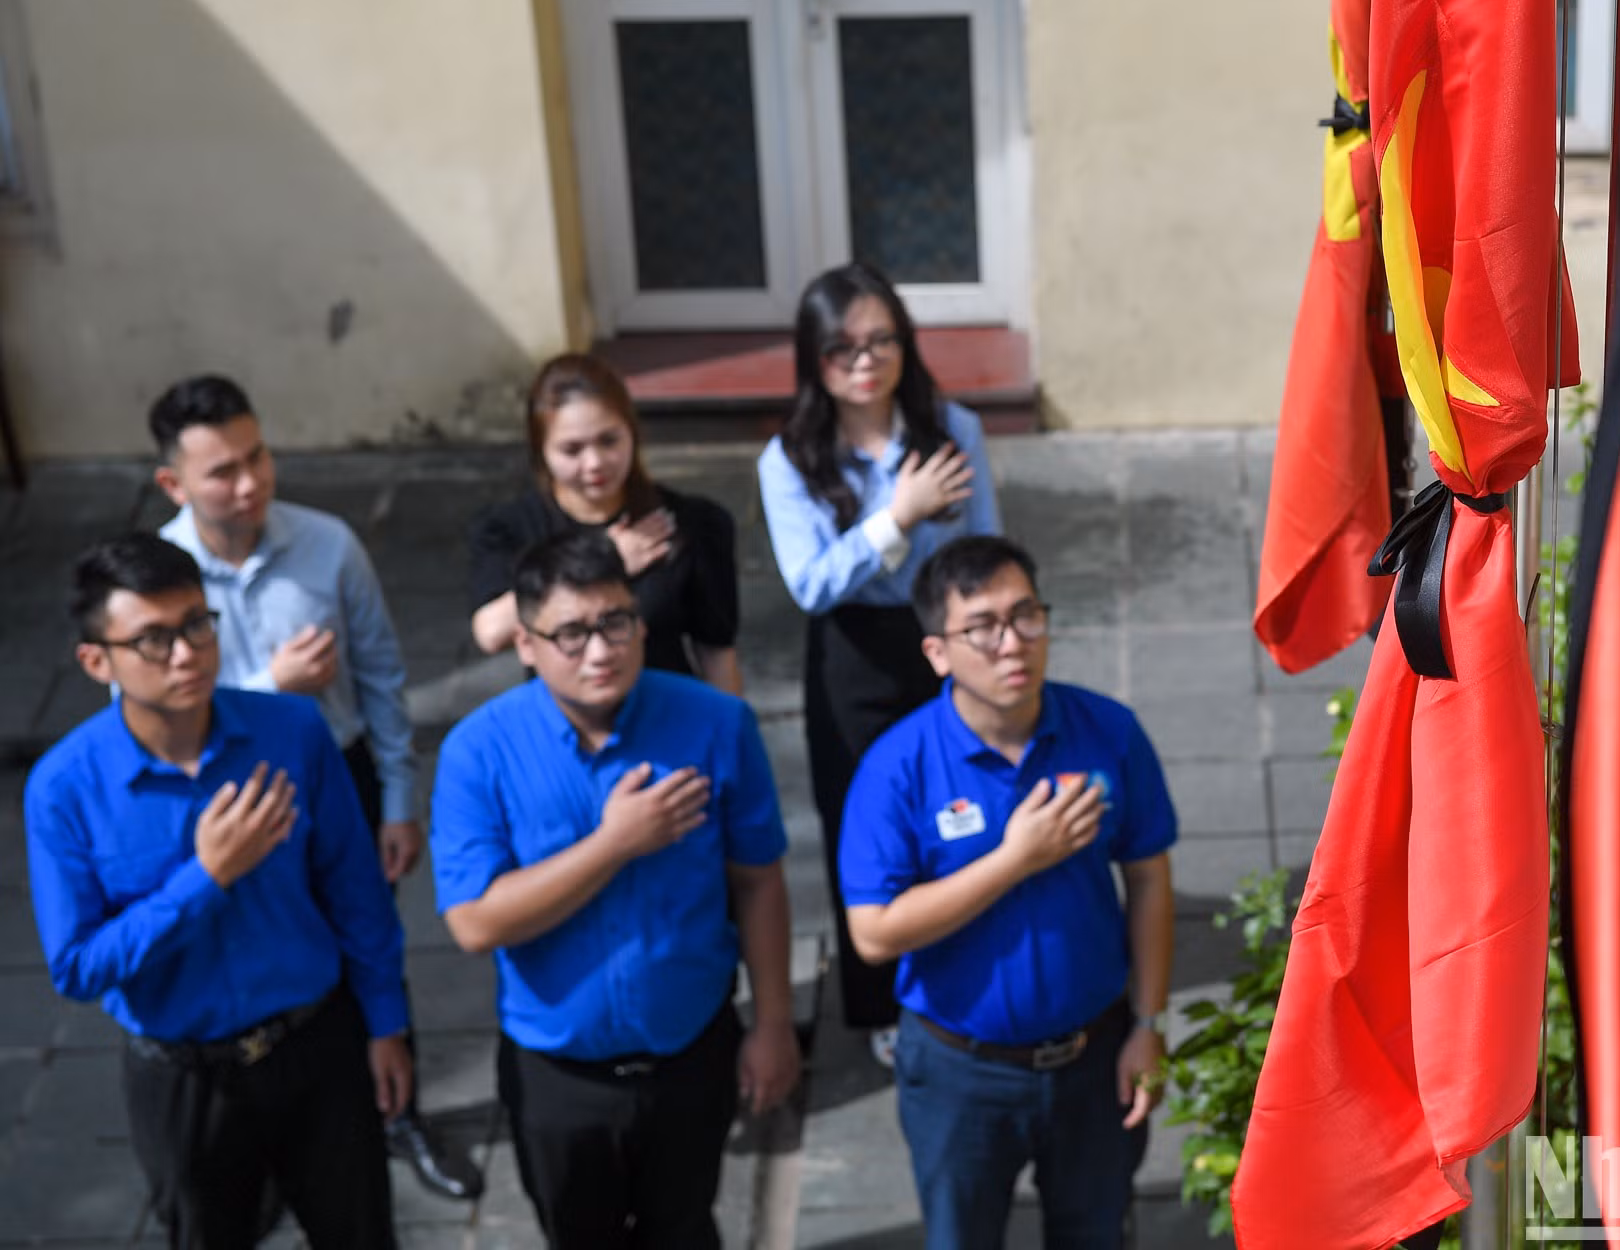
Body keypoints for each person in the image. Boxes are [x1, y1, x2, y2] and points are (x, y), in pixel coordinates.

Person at [147, 374, 482, 1202]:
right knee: (253, 957)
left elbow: (382, 677)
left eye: (258, 456)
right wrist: (273, 688)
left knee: (371, 940)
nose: (250, 483)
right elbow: (148, 715)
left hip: (339, 776)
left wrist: (398, 799)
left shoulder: (329, 545)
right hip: (220, 803)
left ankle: (398, 1111)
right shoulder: (155, 580)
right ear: (174, 484)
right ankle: (272, 1143)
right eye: (223, 471)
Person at [24, 533, 410, 1249]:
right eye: (154, 639)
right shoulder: (64, 788)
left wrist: (387, 1024)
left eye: (198, 625)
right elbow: (77, 965)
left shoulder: (292, 730)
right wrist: (206, 878)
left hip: (317, 1047)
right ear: (96, 661)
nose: (187, 654)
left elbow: (355, 890)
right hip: (185, 1076)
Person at [430, 531, 800, 1249]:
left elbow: (759, 880)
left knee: (686, 1228)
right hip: (559, 1075)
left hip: (691, 1055)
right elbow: (475, 922)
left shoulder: (716, 722)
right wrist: (613, 844)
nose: (600, 651)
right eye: (571, 633)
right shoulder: (479, 752)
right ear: (526, 644)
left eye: (616, 623)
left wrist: (775, 1024)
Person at [840, 535, 1177, 1250]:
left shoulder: (1108, 731)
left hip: (1095, 1057)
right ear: (937, 653)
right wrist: (1015, 860)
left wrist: (1148, 1024)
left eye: (1026, 615)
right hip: (960, 1074)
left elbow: (1148, 876)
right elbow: (873, 933)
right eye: (982, 627)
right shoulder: (896, 767)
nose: (1012, 643)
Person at [758, 262, 1002, 1065]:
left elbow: (983, 548)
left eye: (881, 340)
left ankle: (968, 961)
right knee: (865, 817)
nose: (864, 361)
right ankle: (880, 1003)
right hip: (852, 654)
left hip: (940, 638)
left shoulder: (954, 428)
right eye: (843, 348)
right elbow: (811, 584)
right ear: (814, 358)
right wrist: (897, 518)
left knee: (960, 799)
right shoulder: (791, 458)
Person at [469, 352, 742, 693]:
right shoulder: (511, 528)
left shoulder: (692, 523)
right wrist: (604, 557)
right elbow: (491, 632)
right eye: (572, 450)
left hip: (667, 712)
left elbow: (716, 652)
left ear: (632, 433)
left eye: (609, 441)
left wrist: (732, 724)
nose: (595, 463)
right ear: (542, 452)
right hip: (562, 719)